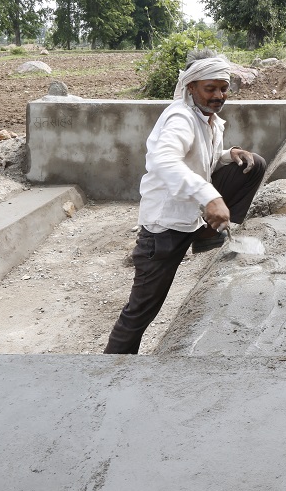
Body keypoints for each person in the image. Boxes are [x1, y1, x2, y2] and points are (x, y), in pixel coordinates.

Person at [104, 52, 266, 354]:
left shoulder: (209, 120)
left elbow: (202, 161)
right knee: (140, 312)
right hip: (164, 228)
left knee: (253, 163)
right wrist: (211, 197)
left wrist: (227, 154)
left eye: (223, 88)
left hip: (190, 218)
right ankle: (109, 371)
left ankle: (205, 235)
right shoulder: (180, 118)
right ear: (191, 87)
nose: (219, 95)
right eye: (210, 89)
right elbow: (164, 160)